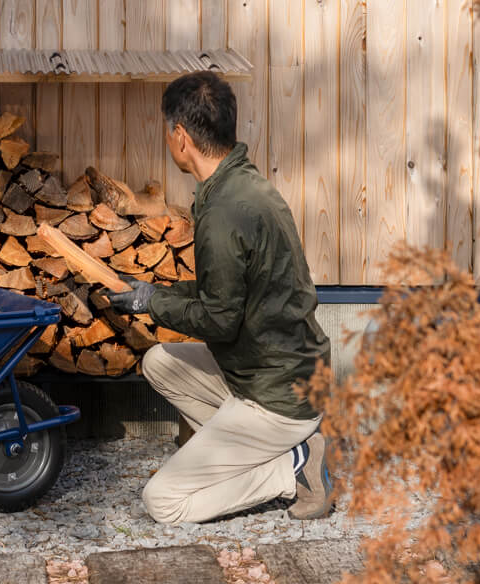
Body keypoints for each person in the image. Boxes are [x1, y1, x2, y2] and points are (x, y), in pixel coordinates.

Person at [105, 71, 334, 524]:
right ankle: (256, 450)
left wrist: (151, 303)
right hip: (282, 372)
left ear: (181, 136)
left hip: (276, 399)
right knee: (159, 362)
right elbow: (227, 294)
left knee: (164, 502)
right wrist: (159, 293)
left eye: (167, 131)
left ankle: (292, 470)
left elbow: (219, 320)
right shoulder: (240, 186)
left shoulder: (226, 212)